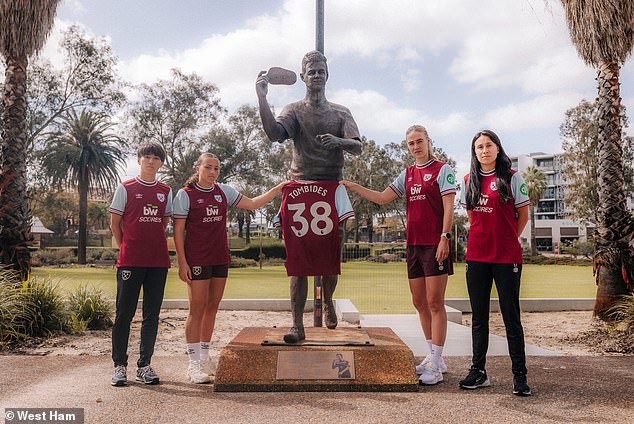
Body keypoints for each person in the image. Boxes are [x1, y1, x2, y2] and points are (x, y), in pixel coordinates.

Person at [256, 50, 362, 341]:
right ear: (303, 76)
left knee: (330, 260)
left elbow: (357, 146)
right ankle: (296, 324)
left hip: (331, 189)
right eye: (311, 71)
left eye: (320, 70)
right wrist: (262, 99)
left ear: (327, 75)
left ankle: (328, 301)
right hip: (301, 188)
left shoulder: (341, 112)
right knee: (298, 263)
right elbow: (274, 133)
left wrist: (338, 140)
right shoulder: (293, 110)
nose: (316, 75)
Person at [341, 125, 456, 386]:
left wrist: (444, 237)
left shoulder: (442, 170)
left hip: (434, 244)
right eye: (411, 143)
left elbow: (449, 207)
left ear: (428, 141)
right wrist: (353, 186)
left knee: (435, 302)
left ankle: (437, 364)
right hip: (414, 246)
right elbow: (382, 198)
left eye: (419, 141)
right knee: (419, 303)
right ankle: (432, 357)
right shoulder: (408, 174)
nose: (415, 147)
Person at [172, 152, 286, 384]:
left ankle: (205, 357)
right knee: (197, 309)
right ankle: (193, 363)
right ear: (198, 169)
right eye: (208, 167)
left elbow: (253, 203)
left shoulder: (224, 191)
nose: (212, 172)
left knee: (212, 308)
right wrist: (182, 262)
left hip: (220, 258)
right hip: (197, 259)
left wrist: (278, 189)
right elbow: (177, 231)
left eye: (216, 168)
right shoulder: (185, 195)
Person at [459, 129, 532, 396]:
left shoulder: (513, 179)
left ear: (497, 149)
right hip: (477, 257)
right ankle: (478, 372)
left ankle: (520, 376)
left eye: (488, 145)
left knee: (511, 317)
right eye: (479, 147)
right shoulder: (468, 180)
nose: (484, 150)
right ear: (474, 152)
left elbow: (521, 217)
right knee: (478, 318)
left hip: (506, 257)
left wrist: (508, 239)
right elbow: (472, 218)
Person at [109, 141, 173, 387]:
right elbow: (116, 224)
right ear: (138, 160)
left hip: (157, 262)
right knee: (124, 314)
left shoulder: (166, 191)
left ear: (161, 163)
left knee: (151, 316)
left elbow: (164, 222)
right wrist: (126, 247)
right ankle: (119, 366)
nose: (151, 161)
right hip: (130, 262)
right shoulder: (125, 188)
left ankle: (144, 365)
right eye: (147, 157)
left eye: (156, 158)